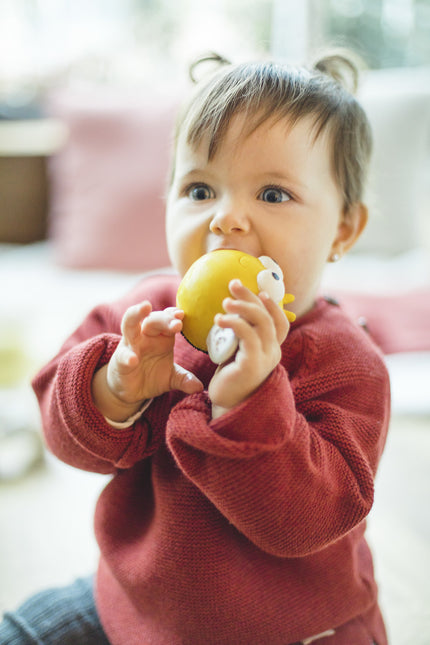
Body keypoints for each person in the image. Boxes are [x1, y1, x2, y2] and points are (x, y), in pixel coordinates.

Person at [0, 52, 390, 645]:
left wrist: (249, 404)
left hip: (296, 629)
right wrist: (114, 387)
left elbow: (306, 523)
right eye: (201, 188)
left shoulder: (346, 364)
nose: (227, 219)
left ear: (342, 229)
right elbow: (60, 428)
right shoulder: (145, 318)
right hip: (136, 605)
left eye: (274, 194)